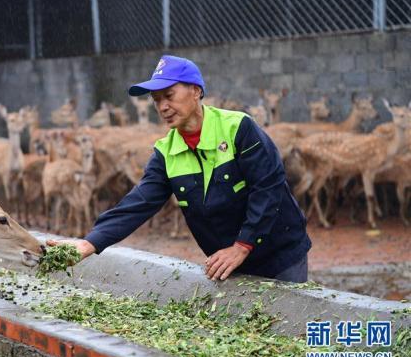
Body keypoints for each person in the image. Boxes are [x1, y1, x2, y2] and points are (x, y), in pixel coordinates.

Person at [47, 55, 311, 283]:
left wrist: (242, 246)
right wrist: (89, 242)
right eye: (156, 100)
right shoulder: (166, 152)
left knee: (288, 332)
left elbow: (268, 187)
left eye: (169, 96)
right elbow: (139, 202)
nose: (162, 107)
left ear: (196, 91)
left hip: (279, 256)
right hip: (227, 263)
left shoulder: (238, 128)